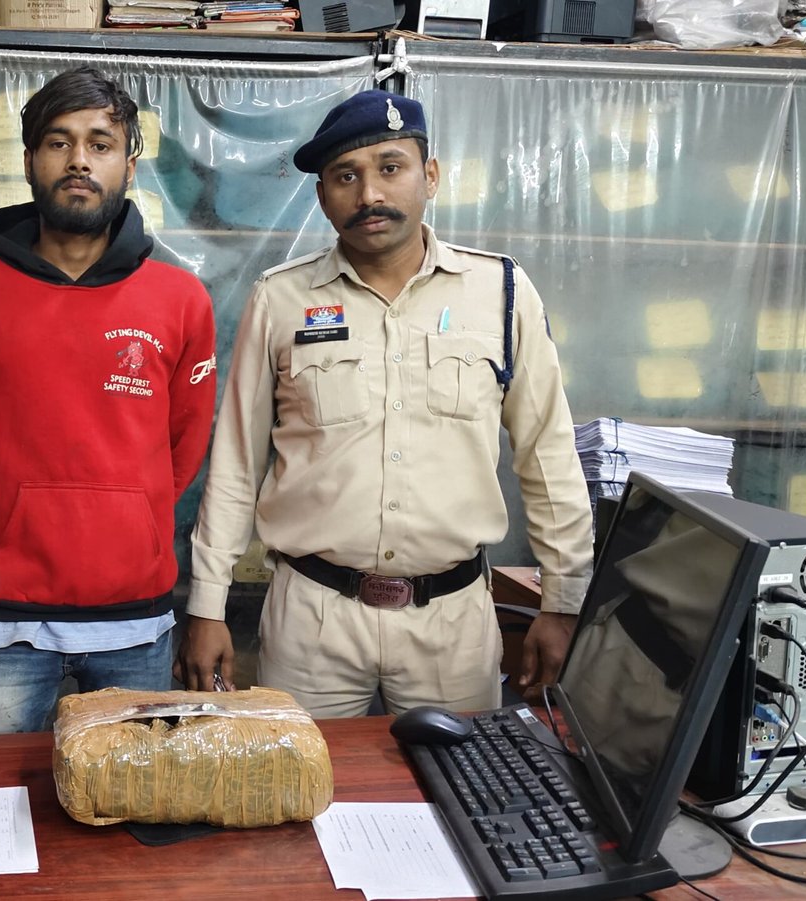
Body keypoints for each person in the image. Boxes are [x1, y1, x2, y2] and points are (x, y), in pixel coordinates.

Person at [179, 89, 593, 718]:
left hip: (452, 624)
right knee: (304, 780)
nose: (369, 193)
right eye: (346, 177)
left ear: (431, 176)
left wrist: (563, 600)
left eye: (390, 168)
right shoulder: (281, 299)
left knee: (461, 779)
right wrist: (207, 605)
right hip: (313, 620)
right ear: (323, 197)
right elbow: (237, 462)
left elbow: (548, 453)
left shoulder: (501, 290)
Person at [0, 66, 217, 734]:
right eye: (58, 142)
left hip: (135, 622)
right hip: (0, 623)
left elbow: (183, 448)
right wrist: (1, 532)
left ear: (129, 166)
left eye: (100, 143)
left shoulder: (179, 299)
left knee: (131, 797)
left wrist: (126, 520)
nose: (79, 160)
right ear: (28, 160)